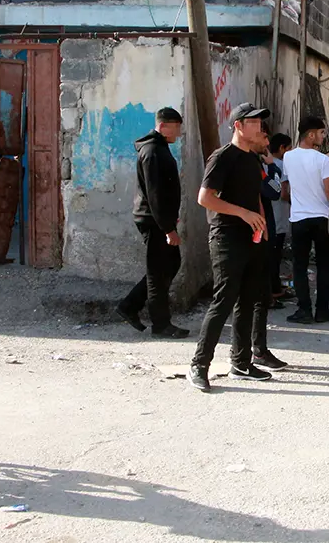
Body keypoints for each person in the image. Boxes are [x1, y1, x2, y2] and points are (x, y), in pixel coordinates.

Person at [189, 103, 274, 393]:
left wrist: (260, 222)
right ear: (238, 125)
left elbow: (255, 197)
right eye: (254, 121)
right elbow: (205, 198)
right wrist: (243, 214)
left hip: (252, 238)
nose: (260, 126)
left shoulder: (252, 158)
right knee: (223, 300)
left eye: (261, 122)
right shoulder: (222, 157)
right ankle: (199, 365)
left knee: (247, 300)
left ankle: (241, 362)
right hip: (226, 238)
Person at [117, 107, 190, 338]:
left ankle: (130, 305)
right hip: (153, 221)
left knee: (170, 264)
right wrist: (167, 228)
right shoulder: (152, 152)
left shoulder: (159, 148)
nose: (178, 134)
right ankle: (161, 325)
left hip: (159, 220)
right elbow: (155, 194)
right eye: (176, 128)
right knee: (158, 272)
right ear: (164, 126)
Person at [282, 116, 329, 325]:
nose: (323, 137)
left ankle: (303, 309)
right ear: (311, 134)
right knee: (323, 265)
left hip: (299, 218)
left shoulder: (288, 157)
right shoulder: (322, 160)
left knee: (299, 265)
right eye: (322, 133)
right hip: (322, 218)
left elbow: (285, 189)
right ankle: (322, 310)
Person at [250, 148, 290, 370]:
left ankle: (255, 350)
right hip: (256, 239)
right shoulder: (255, 167)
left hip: (262, 236)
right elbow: (274, 191)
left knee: (259, 297)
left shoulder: (255, 165)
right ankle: (255, 351)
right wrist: (272, 166)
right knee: (256, 298)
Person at [268, 133, 293, 300]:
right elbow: (283, 193)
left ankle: (273, 288)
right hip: (279, 217)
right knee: (275, 258)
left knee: (270, 256)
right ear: (282, 148)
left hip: (268, 218)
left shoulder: (264, 164)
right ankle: (274, 290)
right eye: (289, 149)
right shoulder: (281, 166)